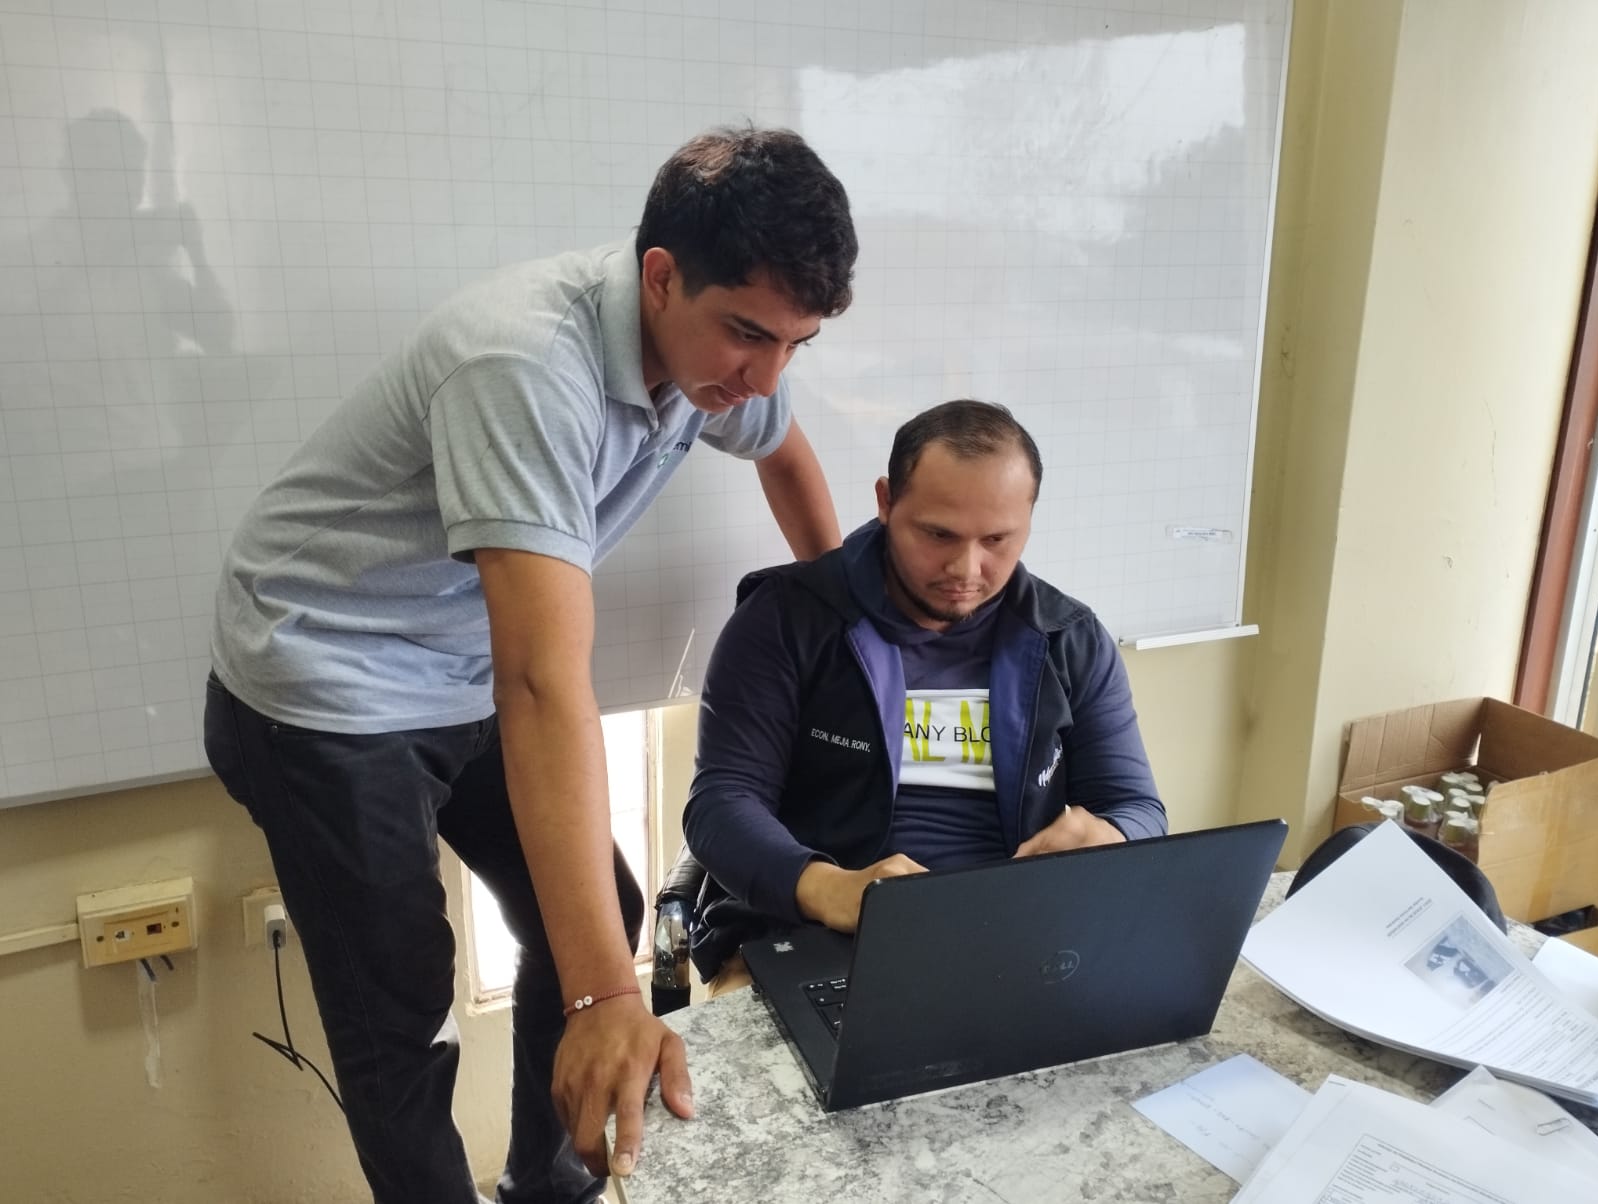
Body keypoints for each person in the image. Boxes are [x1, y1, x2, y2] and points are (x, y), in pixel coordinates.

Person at [201, 126, 857, 1204]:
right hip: (323, 679)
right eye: (749, 335)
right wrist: (606, 1000)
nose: (766, 376)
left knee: (600, 905)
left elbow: (783, 452)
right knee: (400, 1011)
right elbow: (544, 682)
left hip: (455, 663)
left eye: (797, 344)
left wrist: (846, 616)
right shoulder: (524, 364)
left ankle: (549, 1191)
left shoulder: (725, 363)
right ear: (660, 277)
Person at [681, 400, 1167, 989]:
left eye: (997, 539)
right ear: (886, 501)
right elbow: (721, 804)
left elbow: (1138, 808)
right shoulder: (785, 620)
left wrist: (1109, 836)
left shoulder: (1069, 638)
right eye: (939, 535)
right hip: (815, 932)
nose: (967, 569)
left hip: (1019, 935)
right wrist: (831, 888)